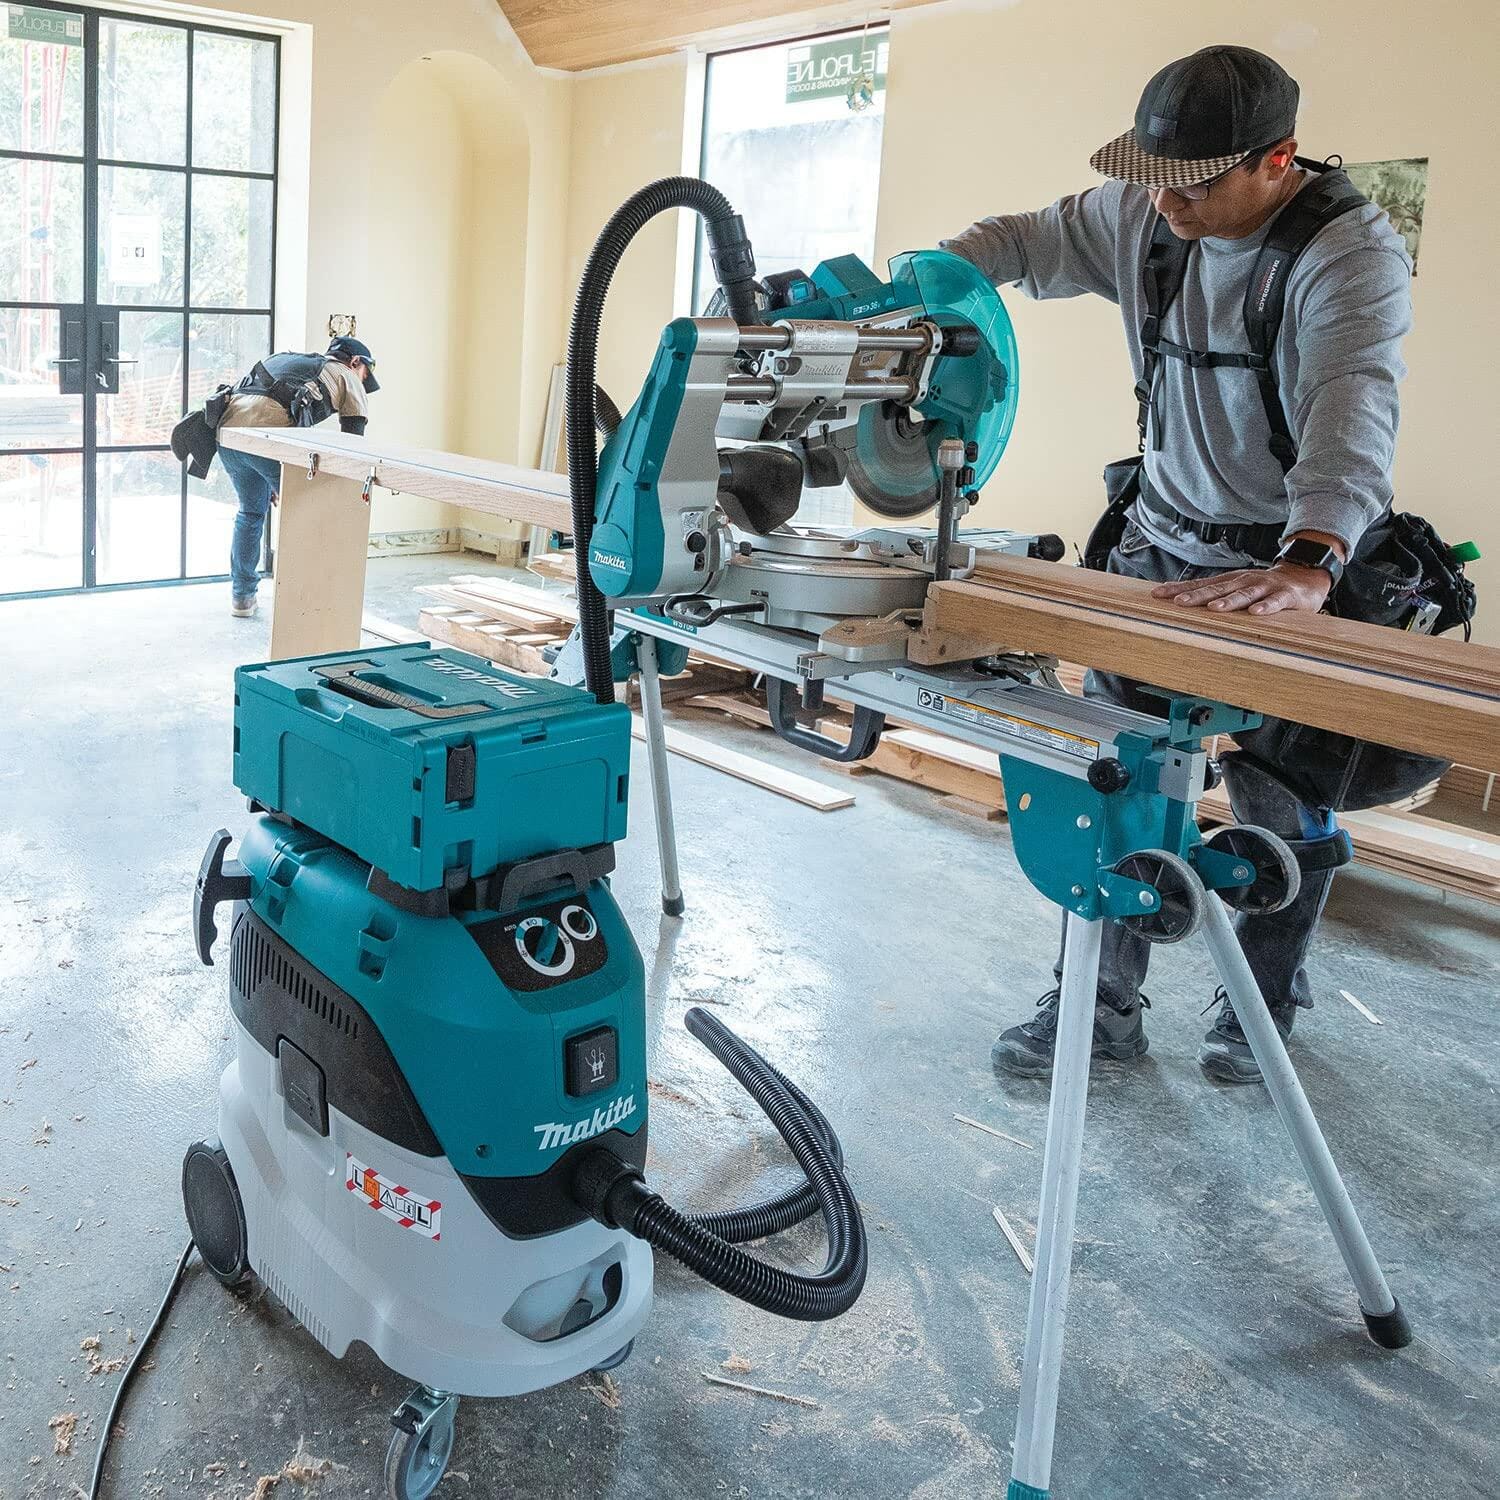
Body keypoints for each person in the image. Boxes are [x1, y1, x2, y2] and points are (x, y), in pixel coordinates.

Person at [944, 46, 1448, 1085]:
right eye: (1153, 179)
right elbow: (1019, 239)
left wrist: (1312, 561)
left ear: (1278, 159)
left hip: (1284, 564)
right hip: (1158, 543)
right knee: (1115, 776)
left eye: (1195, 184)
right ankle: (1098, 1006)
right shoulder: (1148, 212)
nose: (1166, 205)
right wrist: (927, 281)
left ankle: (1261, 1009)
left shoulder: (1348, 253)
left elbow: (1353, 406)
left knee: (1277, 801)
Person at [215, 335, 379, 616]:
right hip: (268, 440)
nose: (363, 381)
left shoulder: (287, 360)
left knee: (250, 513)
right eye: (365, 374)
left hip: (228, 437)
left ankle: (242, 597)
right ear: (355, 362)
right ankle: (305, 604)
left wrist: (272, 473)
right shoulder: (346, 375)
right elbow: (353, 441)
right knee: (307, 517)